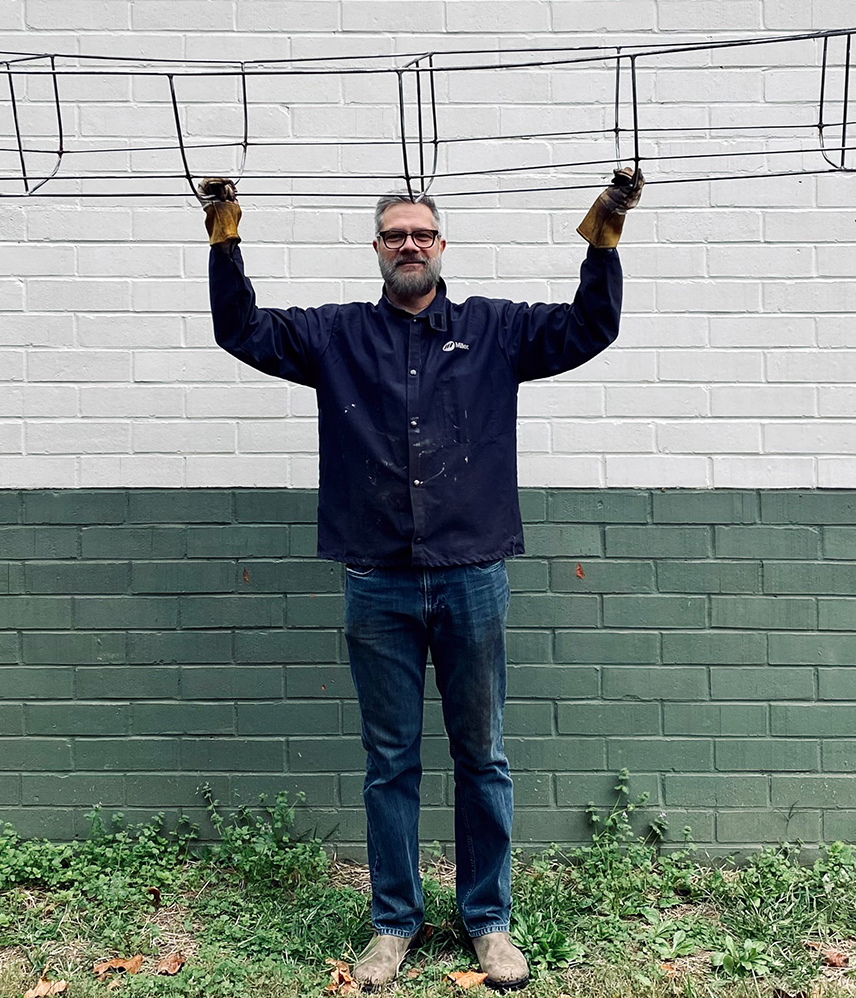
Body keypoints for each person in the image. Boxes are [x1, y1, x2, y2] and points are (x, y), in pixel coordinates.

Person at [198, 169, 642, 991]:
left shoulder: (496, 331)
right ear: (377, 250)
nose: (409, 244)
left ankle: (489, 921)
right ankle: (394, 925)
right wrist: (225, 241)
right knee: (390, 760)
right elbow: (243, 332)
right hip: (378, 580)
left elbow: (589, 329)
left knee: (483, 757)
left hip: (472, 575)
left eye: (423, 234)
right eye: (395, 234)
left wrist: (604, 233)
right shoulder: (334, 337)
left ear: (441, 247)